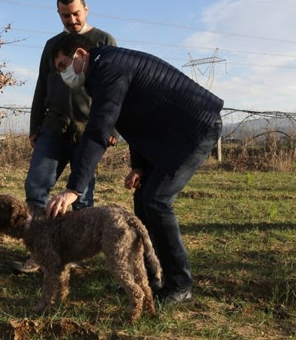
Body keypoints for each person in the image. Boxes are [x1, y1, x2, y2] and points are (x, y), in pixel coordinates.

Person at [45, 33, 224, 305]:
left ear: (81, 55)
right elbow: (137, 121)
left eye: (64, 65)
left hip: (194, 128)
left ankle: (180, 285)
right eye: (59, 70)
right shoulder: (106, 68)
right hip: (168, 133)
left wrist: (73, 189)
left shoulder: (108, 68)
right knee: (143, 202)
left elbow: (99, 131)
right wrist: (139, 167)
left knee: (157, 201)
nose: (64, 74)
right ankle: (148, 279)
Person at [12, 0, 117, 274]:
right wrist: (35, 127)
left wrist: (112, 129)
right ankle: (40, 251)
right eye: (65, 15)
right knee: (35, 186)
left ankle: (76, 256)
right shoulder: (52, 45)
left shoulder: (104, 41)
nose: (71, 20)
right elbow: (42, 86)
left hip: (89, 130)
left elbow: (115, 91)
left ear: (86, 9)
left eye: (75, 13)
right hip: (53, 127)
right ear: (58, 14)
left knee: (82, 197)